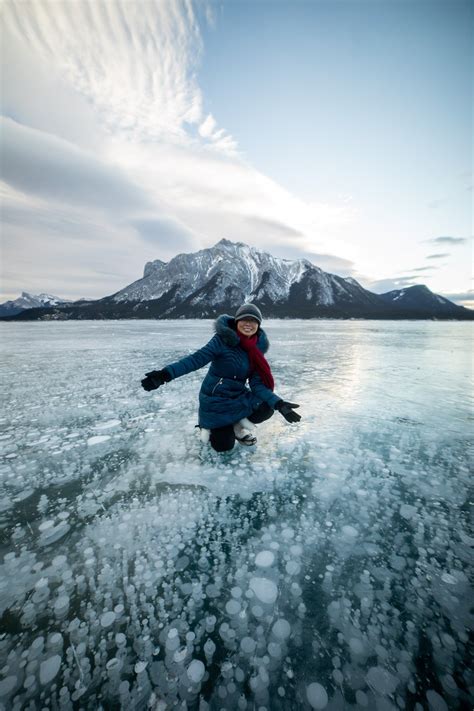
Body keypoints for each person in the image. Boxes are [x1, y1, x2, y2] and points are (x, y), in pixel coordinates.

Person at [141, 303, 301, 452]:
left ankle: (237, 426)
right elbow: (196, 359)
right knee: (223, 446)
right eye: (244, 319)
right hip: (215, 400)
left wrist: (279, 404)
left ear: (258, 326)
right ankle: (214, 428)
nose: (248, 324)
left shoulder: (256, 352)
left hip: (237, 397)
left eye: (253, 321)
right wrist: (164, 375)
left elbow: (257, 386)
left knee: (267, 406)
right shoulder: (222, 340)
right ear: (237, 321)